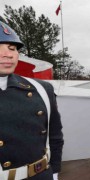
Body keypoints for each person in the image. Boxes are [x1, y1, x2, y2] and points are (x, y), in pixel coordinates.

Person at [0, 21, 64, 180]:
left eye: (12, 48)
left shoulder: (42, 89)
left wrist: (55, 173)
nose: (8, 54)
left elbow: (55, 136)